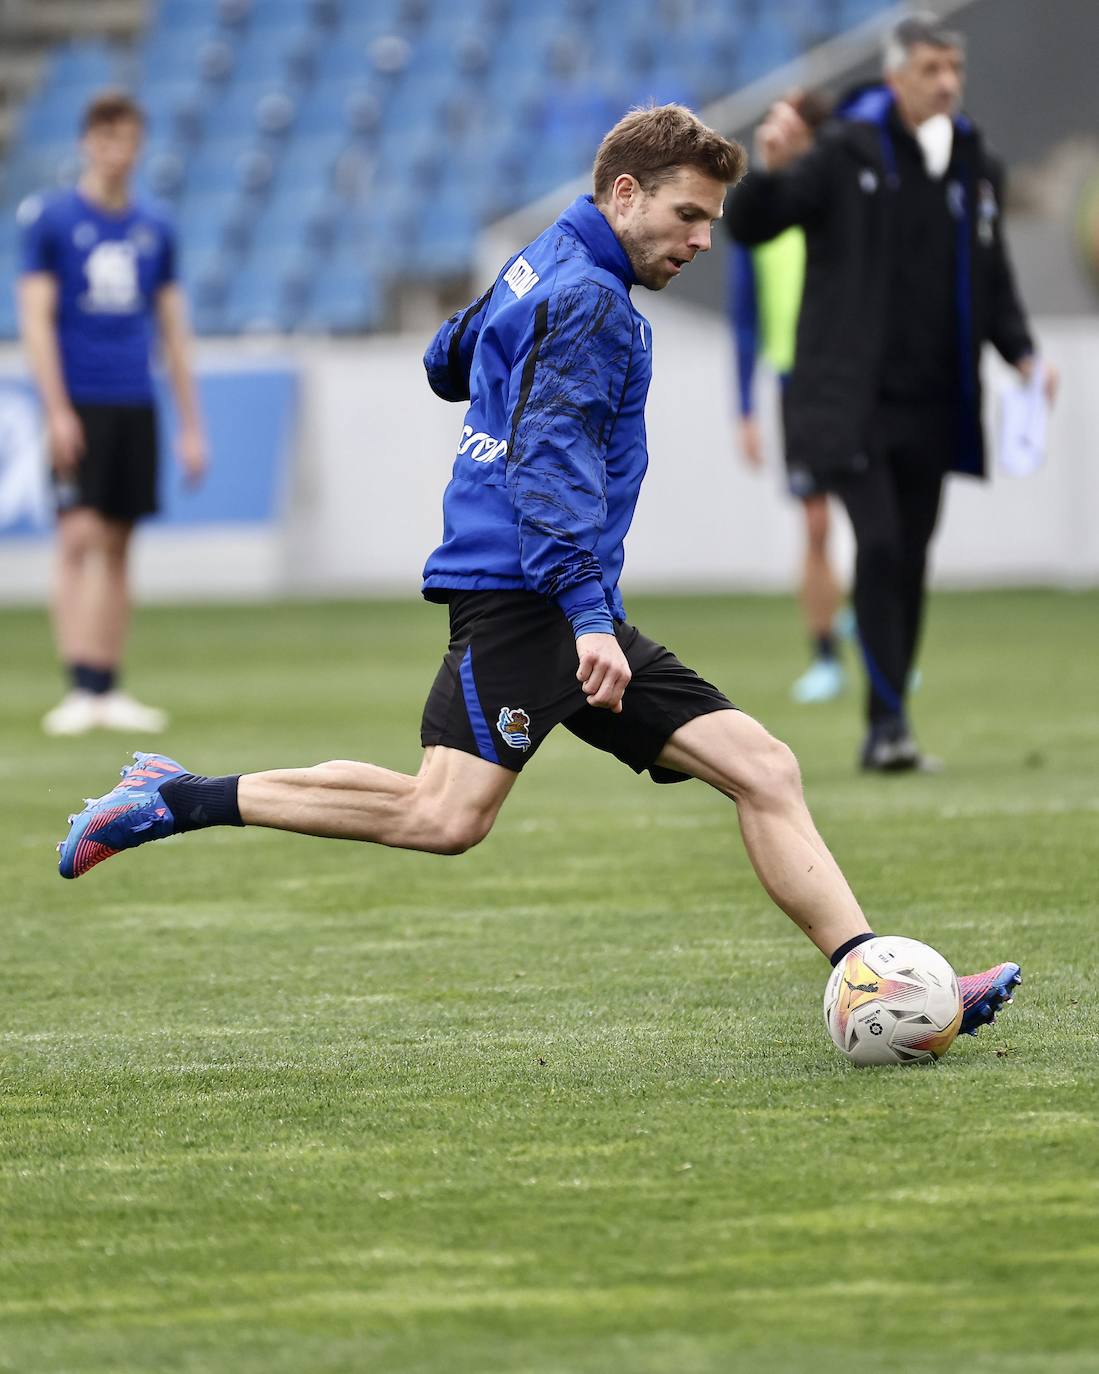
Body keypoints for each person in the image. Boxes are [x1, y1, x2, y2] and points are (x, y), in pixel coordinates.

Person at [56, 104, 1019, 1039]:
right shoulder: (590, 302)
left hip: (555, 594)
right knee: (442, 815)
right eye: (687, 216)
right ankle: (173, 796)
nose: (700, 241)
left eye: (712, 224)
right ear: (626, 194)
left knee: (763, 768)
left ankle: (883, 982)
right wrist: (590, 620)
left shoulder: (545, 259)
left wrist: (513, 320)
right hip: (531, 598)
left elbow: (444, 360)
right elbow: (551, 475)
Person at [727, 13, 1056, 771]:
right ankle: (884, 727)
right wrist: (771, 170)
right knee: (875, 544)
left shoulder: (974, 161)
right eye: (930, 69)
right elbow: (754, 225)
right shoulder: (846, 151)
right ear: (895, 77)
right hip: (852, 401)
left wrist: (1024, 356)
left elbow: (992, 274)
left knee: (908, 557)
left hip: (936, 398)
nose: (944, 83)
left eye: (953, 70)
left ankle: (890, 720)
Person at [18, 89, 207, 737]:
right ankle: (78, 684)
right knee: (77, 539)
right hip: (82, 399)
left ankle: (108, 682)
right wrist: (56, 409)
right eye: (105, 139)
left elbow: (174, 332)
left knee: (121, 544)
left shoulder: (156, 226)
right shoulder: (50, 220)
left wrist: (191, 424)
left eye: (126, 140)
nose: (116, 152)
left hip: (135, 400)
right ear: (86, 144)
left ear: (138, 145)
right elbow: (36, 322)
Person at [726, 88, 848, 705]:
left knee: (878, 524)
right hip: (796, 382)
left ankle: (882, 640)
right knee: (818, 522)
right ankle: (825, 651)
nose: (769, 130)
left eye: (783, 121)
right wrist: (745, 407)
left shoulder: (839, 199)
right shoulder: (760, 212)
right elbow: (745, 316)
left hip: (853, 377)